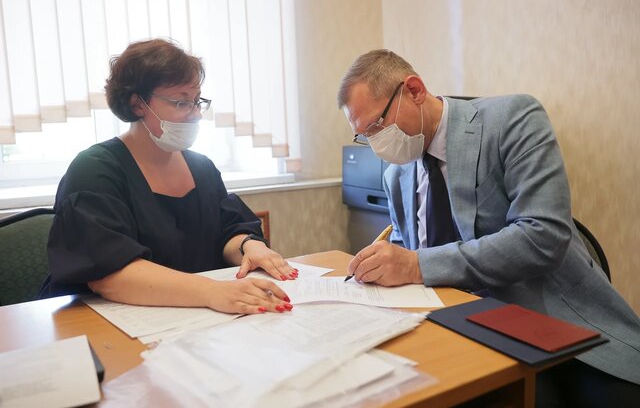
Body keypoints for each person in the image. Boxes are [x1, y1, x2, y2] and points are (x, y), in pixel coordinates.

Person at [337, 49, 640, 406]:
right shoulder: (396, 176)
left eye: (377, 126)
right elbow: (405, 258)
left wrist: (416, 265)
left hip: (553, 322)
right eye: (365, 136)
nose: (376, 145)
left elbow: (543, 235)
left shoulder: (513, 119)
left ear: (415, 90)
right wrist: (386, 267)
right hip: (460, 330)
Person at [40, 38, 297, 315]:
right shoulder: (94, 170)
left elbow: (227, 232)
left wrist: (249, 246)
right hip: (102, 319)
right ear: (137, 104)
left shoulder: (201, 168)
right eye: (182, 102)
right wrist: (213, 292)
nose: (196, 114)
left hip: (189, 315)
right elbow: (109, 273)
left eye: (197, 102)